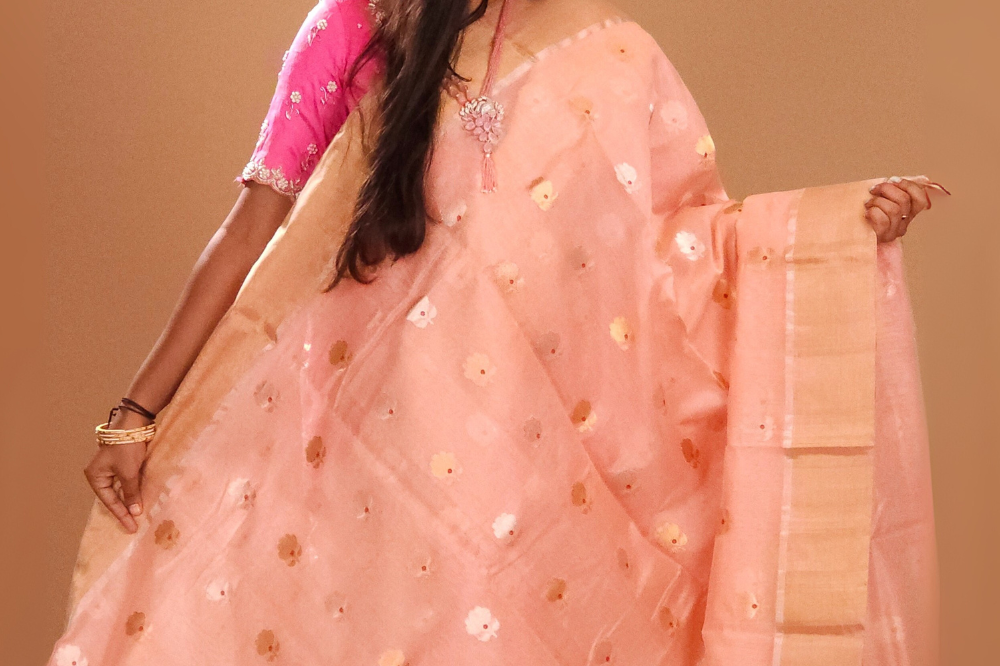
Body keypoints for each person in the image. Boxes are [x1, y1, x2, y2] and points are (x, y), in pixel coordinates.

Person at [50, 1, 946, 664]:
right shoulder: (356, 24)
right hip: (362, 463)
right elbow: (253, 230)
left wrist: (832, 226)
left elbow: (679, 251)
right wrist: (135, 414)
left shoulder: (607, 51)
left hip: (542, 478)